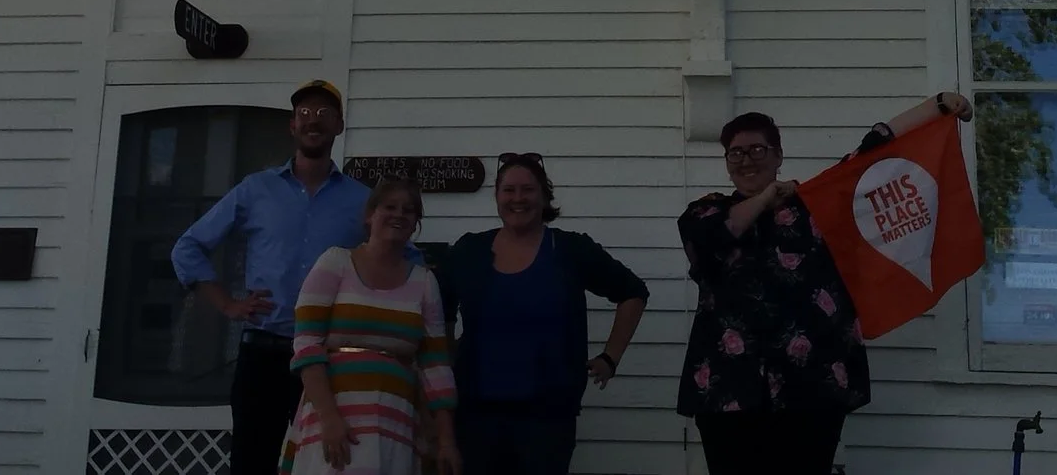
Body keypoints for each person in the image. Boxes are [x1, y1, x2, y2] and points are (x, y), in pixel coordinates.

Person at [676, 92, 977, 475]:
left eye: (757, 150)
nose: (746, 160)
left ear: (778, 156)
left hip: (811, 385)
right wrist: (768, 197)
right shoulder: (704, 211)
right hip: (728, 390)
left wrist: (938, 106)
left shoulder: (816, 204)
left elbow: (873, 149)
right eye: (736, 153)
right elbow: (719, 234)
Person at [173, 81, 372, 475]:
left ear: (339, 126)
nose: (313, 120)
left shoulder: (363, 200)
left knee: (327, 466)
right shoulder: (256, 189)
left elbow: (401, 258)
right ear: (292, 126)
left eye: (324, 113)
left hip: (331, 360)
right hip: (263, 355)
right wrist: (227, 304)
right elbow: (188, 247)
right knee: (252, 464)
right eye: (304, 113)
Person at [440, 153, 650, 475]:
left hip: (548, 420)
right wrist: (446, 357)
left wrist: (610, 357)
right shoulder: (469, 251)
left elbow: (633, 293)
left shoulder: (570, 250)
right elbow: (439, 305)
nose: (518, 198)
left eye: (528, 189)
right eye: (509, 190)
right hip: (475, 416)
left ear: (544, 196)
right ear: (497, 196)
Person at [280, 175, 461, 475]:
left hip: (395, 423)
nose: (399, 214)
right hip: (334, 420)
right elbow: (307, 345)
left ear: (415, 223)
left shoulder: (424, 282)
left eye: (408, 210)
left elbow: (436, 367)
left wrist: (445, 441)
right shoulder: (335, 262)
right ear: (370, 215)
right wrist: (329, 417)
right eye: (390, 207)